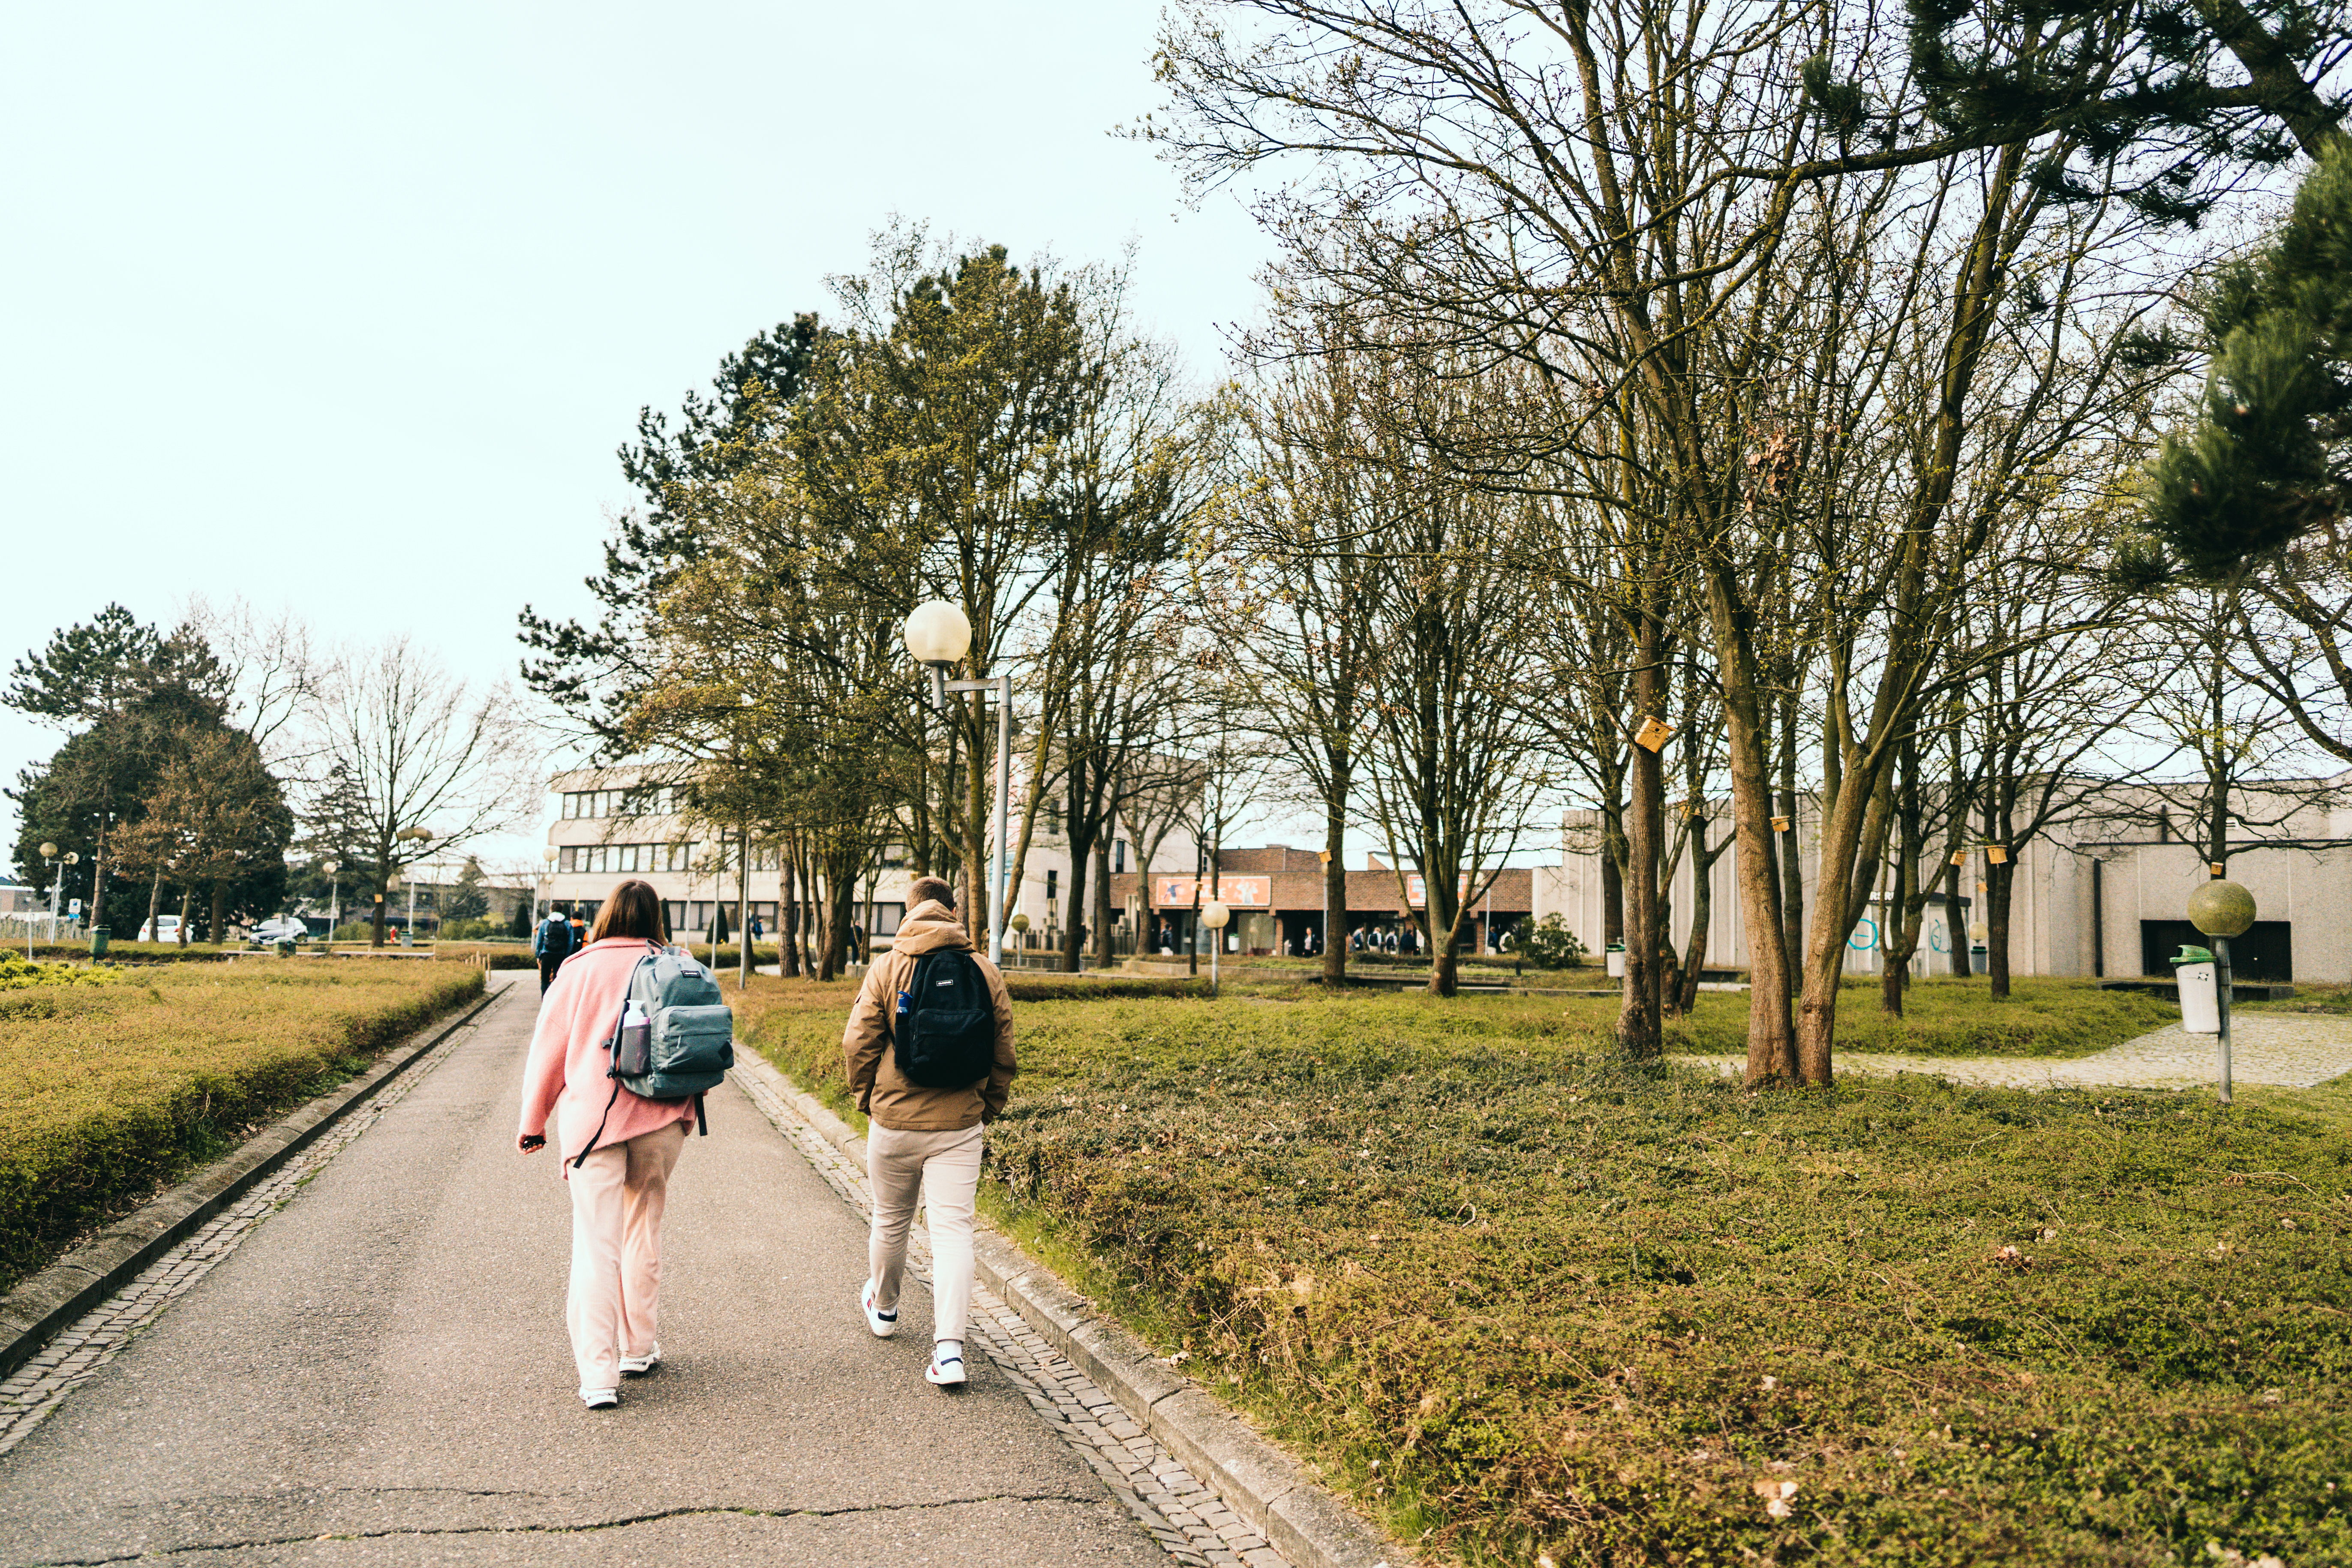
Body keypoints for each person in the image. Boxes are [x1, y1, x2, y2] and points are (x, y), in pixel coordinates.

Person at [516, 880, 698, 1410]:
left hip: (595, 1122)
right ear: (654, 917)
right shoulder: (676, 963)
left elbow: (548, 1054)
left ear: (605, 916)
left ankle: (599, 1377)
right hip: (663, 1117)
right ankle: (638, 1347)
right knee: (645, 1229)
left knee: (597, 1245)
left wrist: (534, 1120)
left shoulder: (577, 970)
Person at [840, 876, 1015, 1390]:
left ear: (908, 911)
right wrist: (988, 1108)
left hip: (893, 1121)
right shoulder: (984, 969)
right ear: (953, 911)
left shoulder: (888, 966)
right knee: (954, 1232)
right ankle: (950, 1353)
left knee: (891, 1219)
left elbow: (858, 1043)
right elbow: (1004, 1050)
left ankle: (886, 1308)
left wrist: (864, 1098)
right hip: (959, 1125)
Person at [532, 907, 576, 995]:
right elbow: (571, 942)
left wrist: (538, 955)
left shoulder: (545, 922)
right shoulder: (567, 924)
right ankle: (555, 1002)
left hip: (546, 954)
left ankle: (544, 1001)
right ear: (561, 910)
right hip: (560, 955)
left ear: (551, 910)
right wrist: (566, 955)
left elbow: (539, 941)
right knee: (558, 980)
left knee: (544, 980)